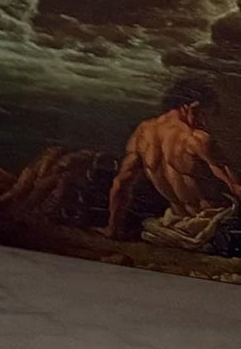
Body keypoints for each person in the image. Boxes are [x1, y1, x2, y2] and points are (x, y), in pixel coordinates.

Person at [103, 83, 241, 240]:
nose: (205, 122)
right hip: (212, 227)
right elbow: (236, 186)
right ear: (193, 107)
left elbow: (121, 183)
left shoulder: (142, 134)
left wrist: (113, 227)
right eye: (204, 114)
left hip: (171, 227)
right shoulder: (197, 139)